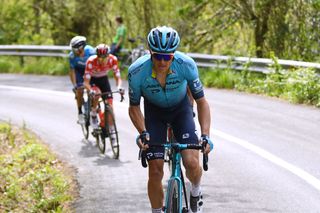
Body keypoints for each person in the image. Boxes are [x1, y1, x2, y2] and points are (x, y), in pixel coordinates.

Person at [128, 26, 214, 213]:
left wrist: (206, 135)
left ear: (174, 55)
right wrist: (143, 132)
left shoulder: (186, 65)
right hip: (154, 113)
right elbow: (134, 107)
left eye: (167, 57)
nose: (162, 61)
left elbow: (201, 102)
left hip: (180, 110)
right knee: (155, 170)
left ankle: (196, 191)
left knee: (191, 163)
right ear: (150, 52)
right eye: (158, 56)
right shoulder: (137, 72)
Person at [84, 44, 123, 135]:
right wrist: (91, 90)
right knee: (96, 93)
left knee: (110, 104)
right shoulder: (91, 61)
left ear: (108, 56)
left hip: (104, 80)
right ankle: (93, 113)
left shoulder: (113, 60)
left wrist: (120, 87)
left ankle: (111, 128)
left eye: (104, 57)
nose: (102, 60)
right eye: (100, 58)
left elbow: (117, 77)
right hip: (93, 80)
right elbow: (86, 82)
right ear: (97, 56)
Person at [68, 36, 96, 124]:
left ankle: (93, 109)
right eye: (73, 50)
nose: (74, 52)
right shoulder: (72, 56)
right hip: (79, 71)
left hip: (90, 71)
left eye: (75, 50)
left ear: (81, 48)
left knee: (92, 90)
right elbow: (72, 72)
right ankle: (80, 112)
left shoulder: (91, 51)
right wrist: (75, 85)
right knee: (79, 90)